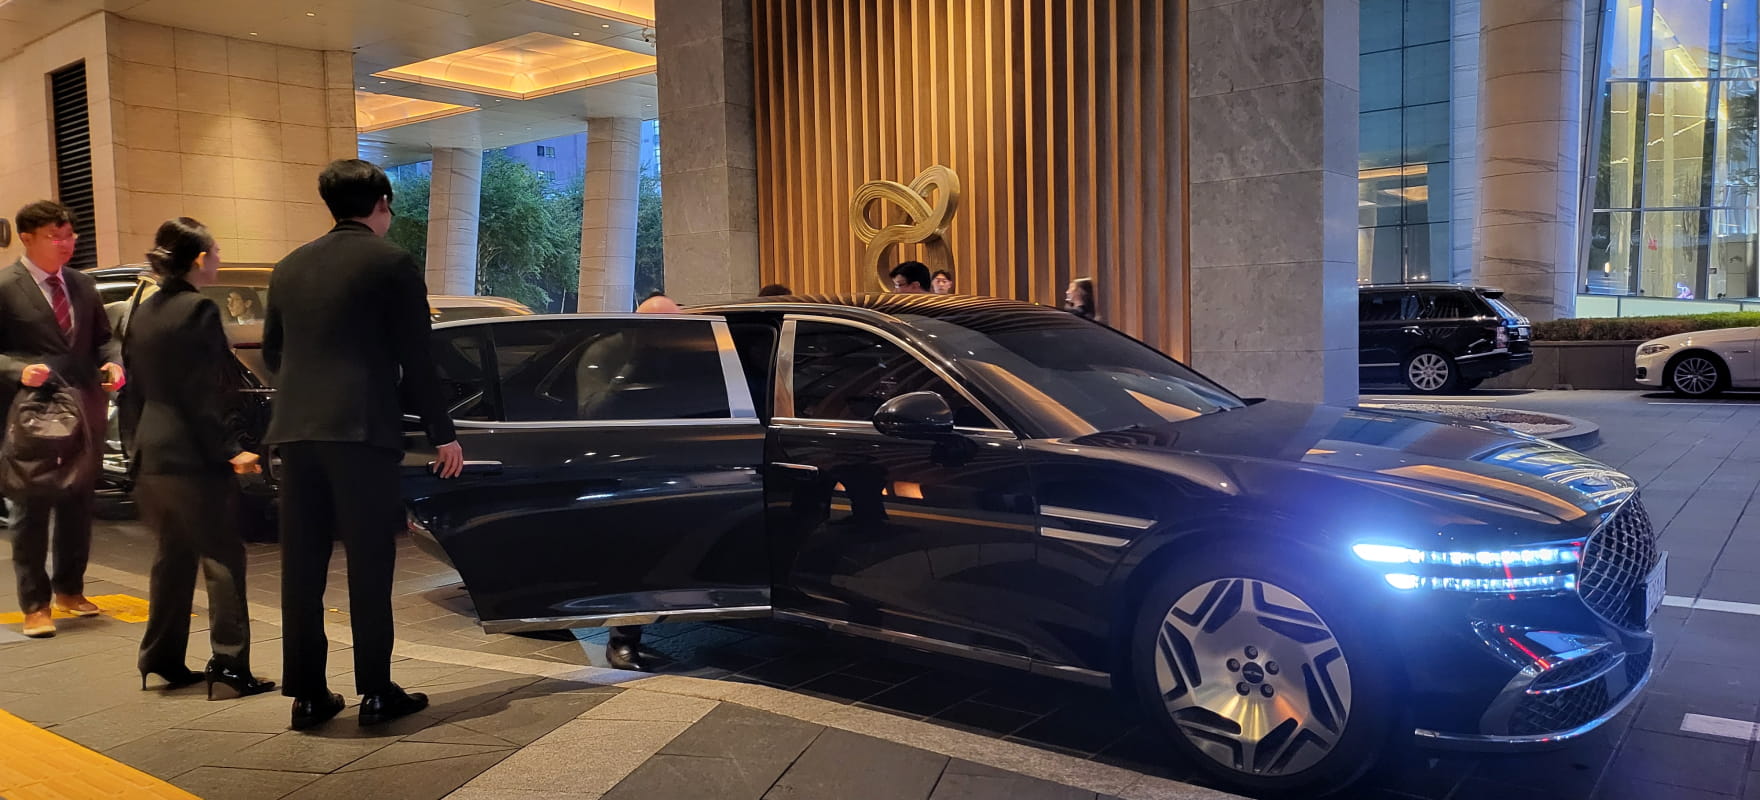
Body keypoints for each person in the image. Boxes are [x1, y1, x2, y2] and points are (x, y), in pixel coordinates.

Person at [264, 159, 464, 731]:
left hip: (297, 432)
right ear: (381, 202)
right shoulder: (393, 262)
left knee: (302, 566)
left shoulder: (288, 266)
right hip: (361, 432)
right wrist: (442, 433)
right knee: (369, 563)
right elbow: (417, 356)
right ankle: (377, 691)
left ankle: (307, 695)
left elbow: (275, 354)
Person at [125, 218, 275, 700]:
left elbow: (137, 391)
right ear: (197, 259)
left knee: (172, 556)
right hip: (193, 456)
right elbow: (205, 394)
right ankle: (230, 664)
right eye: (214, 251)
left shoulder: (143, 310)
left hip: (154, 451)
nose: (218, 258)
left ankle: (160, 656)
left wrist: (134, 450)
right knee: (222, 556)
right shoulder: (198, 311)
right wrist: (232, 449)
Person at [0, 201, 124, 639]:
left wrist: (113, 364)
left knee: (78, 502)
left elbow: (105, 340)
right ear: (27, 237)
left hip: (82, 407)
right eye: (56, 237)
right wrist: (17, 370)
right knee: (30, 508)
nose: (66, 244)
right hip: (30, 413)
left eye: (70, 235)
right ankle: (34, 604)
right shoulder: (5, 285)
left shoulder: (82, 284)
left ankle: (70, 589)